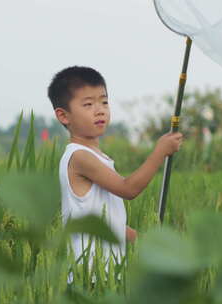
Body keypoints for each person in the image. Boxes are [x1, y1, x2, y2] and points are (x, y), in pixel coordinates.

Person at [47, 66, 183, 276]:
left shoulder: (99, 157)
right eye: (88, 104)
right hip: (91, 273)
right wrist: (160, 152)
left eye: (104, 102)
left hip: (109, 272)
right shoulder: (80, 157)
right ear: (64, 116)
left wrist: (143, 239)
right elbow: (128, 189)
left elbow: (110, 222)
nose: (100, 110)